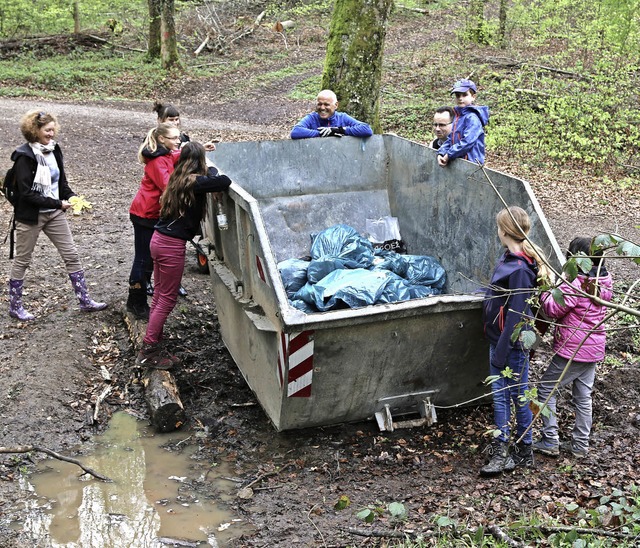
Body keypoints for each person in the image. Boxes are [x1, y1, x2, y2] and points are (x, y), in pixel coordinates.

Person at [136, 142, 232, 369]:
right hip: (170, 246)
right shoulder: (194, 182)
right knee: (167, 299)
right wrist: (211, 168)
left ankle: (154, 340)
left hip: (158, 240)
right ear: (199, 161)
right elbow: (223, 181)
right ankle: (149, 350)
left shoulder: (176, 178)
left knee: (160, 295)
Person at [7, 110, 107, 321]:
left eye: (53, 129)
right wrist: (58, 203)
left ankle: (84, 300)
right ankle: (15, 306)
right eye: (47, 130)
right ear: (35, 131)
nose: (52, 134)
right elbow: (27, 193)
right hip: (30, 216)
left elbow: (61, 183)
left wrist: (73, 197)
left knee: (71, 254)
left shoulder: (54, 150)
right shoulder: (25, 157)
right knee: (23, 261)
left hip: (54, 214)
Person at [480, 206, 552, 476]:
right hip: (500, 339)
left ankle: (511, 451)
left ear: (504, 230)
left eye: (499, 227)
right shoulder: (510, 258)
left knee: (511, 398)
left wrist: (501, 350)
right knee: (511, 396)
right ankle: (518, 450)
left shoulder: (520, 268)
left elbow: (517, 315)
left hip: (509, 344)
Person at [533, 237, 613, 459]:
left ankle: (550, 440)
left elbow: (551, 309)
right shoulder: (603, 282)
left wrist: (546, 290)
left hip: (574, 349)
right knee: (583, 397)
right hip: (593, 348)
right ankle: (579, 445)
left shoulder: (576, 284)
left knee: (545, 391)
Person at [126, 123, 181, 320]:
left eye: (178, 137)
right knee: (143, 259)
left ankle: (140, 298)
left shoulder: (164, 154)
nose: (178, 141)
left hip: (152, 213)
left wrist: (197, 150)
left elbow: (175, 156)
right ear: (161, 139)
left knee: (149, 258)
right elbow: (167, 185)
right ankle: (135, 302)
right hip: (145, 214)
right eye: (174, 138)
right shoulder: (156, 161)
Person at [437, 79, 489, 166]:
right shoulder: (458, 117)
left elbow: (467, 141)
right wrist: (441, 153)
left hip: (471, 163)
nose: (461, 98)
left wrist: (449, 154)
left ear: (473, 97)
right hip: (458, 161)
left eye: (465, 95)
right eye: (458, 95)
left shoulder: (472, 118)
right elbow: (450, 138)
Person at [290, 89, 373, 139]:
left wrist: (339, 130)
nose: (322, 108)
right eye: (319, 104)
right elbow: (296, 132)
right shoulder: (312, 118)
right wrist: (322, 133)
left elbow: (366, 129)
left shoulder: (342, 117)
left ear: (336, 105)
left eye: (326, 104)